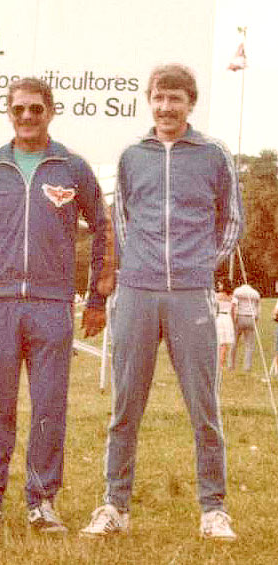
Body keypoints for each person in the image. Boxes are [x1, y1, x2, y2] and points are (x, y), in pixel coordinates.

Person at [80, 64, 243, 541]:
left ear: (190, 103)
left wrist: (201, 265)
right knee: (125, 405)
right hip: (137, 292)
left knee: (204, 407)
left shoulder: (214, 154)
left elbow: (232, 220)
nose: (166, 107)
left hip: (191, 293)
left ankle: (213, 510)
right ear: (149, 101)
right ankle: (115, 505)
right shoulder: (132, 155)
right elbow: (122, 220)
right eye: (159, 98)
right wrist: (135, 268)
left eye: (175, 98)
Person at [0, 78, 114, 533]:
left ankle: (42, 501)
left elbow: (103, 227)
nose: (26, 116)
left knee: (48, 406)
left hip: (51, 304)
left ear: (50, 111)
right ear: (9, 112)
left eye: (35, 109)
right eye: (18, 108)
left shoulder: (71, 167)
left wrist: (97, 296)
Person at [230, 283, 261, 372]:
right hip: (251, 318)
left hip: (239, 317)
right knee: (249, 345)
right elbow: (258, 308)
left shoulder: (237, 292)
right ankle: (247, 367)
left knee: (234, 342)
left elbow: (234, 305)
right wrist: (256, 319)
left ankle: (231, 365)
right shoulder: (255, 293)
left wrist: (233, 319)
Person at [215, 279, 235, 370]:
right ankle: (221, 364)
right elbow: (233, 311)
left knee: (220, 342)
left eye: (220, 284)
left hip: (219, 318)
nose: (219, 286)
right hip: (227, 319)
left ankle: (219, 363)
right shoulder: (232, 297)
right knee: (224, 344)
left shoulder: (216, 296)